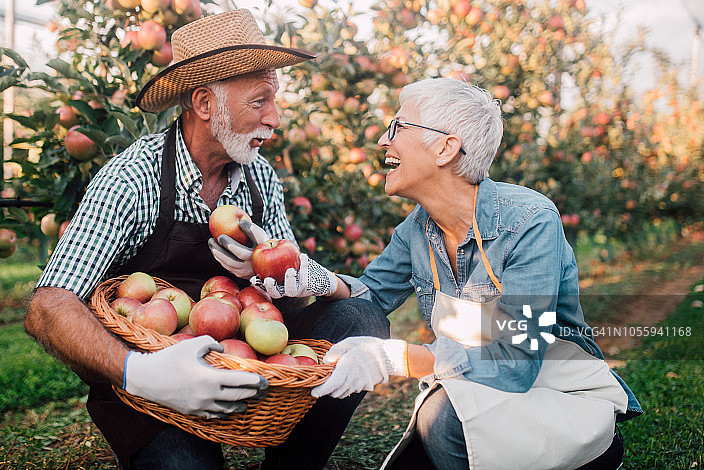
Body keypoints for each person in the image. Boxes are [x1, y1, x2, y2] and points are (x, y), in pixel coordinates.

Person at [24, 8, 389, 470]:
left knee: (361, 318)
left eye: (273, 100)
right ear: (203, 105)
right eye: (259, 101)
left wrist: (287, 281)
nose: (275, 119)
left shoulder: (259, 179)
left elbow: (288, 301)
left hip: (247, 352)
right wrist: (143, 374)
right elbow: (47, 306)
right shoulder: (133, 178)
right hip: (155, 377)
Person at [256, 78, 642, 469]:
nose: (383, 142)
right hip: (474, 398)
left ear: (445, 147)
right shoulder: (417, 229)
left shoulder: (530, 221)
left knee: (439, 418)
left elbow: (518, 362)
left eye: (399, 127)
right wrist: (318, 279)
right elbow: (370, 299)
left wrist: (397, 359)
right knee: (433, 431)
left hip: (553, 400)